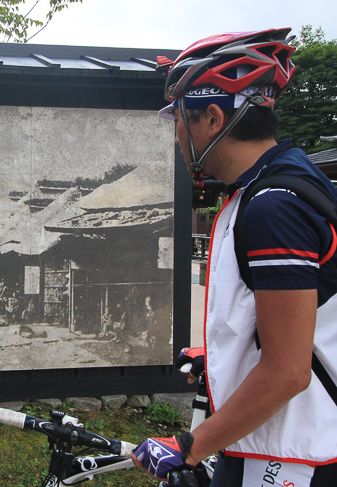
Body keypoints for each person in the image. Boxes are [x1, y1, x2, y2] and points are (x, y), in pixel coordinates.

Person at [133, 29, 337, 486]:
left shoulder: (273, 206)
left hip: (289, 457)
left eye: (178, 120)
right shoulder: (271, 186)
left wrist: (190, 446)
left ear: (211, 117)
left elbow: (287, 371)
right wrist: (227, 353)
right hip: (272, 440)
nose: (177, 136)